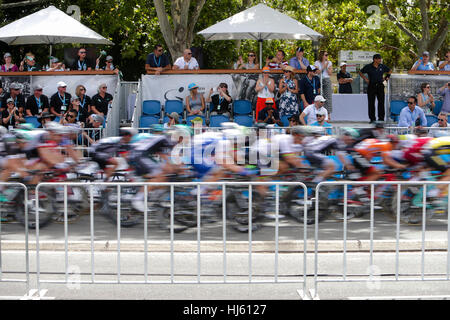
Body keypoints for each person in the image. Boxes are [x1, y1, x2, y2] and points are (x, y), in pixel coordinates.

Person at [359, 53, 392, 123]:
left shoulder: (382, 66)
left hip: (380, 85)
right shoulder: (368, 66)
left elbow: (390, 70)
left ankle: (381, 119)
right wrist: (365, 79)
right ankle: (372, 119)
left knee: (381, 103)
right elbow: (360, 72)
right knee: (371, 103)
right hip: (371, 85)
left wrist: (386, 77)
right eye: (379, 59)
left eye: (380, 58)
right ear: (374, 59)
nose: (380, 60)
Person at [314, 51, 333, 119]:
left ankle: (328, 114)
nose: (327, 56)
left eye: (327, 55)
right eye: (325, 55)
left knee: (328, 97)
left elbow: (330, 73)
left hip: (326, 79)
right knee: (319, 96)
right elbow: (317, 72)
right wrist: (324, 66)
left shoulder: (329, 62)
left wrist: (327, 66)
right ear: (322, 55)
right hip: (319, 79)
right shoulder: (317, 62)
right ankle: (319, 113)